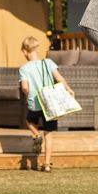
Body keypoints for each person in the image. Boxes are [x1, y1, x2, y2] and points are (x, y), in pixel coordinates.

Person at [19, 36, 74, 173]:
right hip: (50, 103)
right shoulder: (48, 63)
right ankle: (47, 163)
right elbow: (59, 78)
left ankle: (36, 135)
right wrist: (69, 89)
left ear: (25, 52)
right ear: (37, 50)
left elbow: (25, 87)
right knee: (49, 134)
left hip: (35, 103)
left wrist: (27, 95)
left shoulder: (24, 69)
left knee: (29, 121)